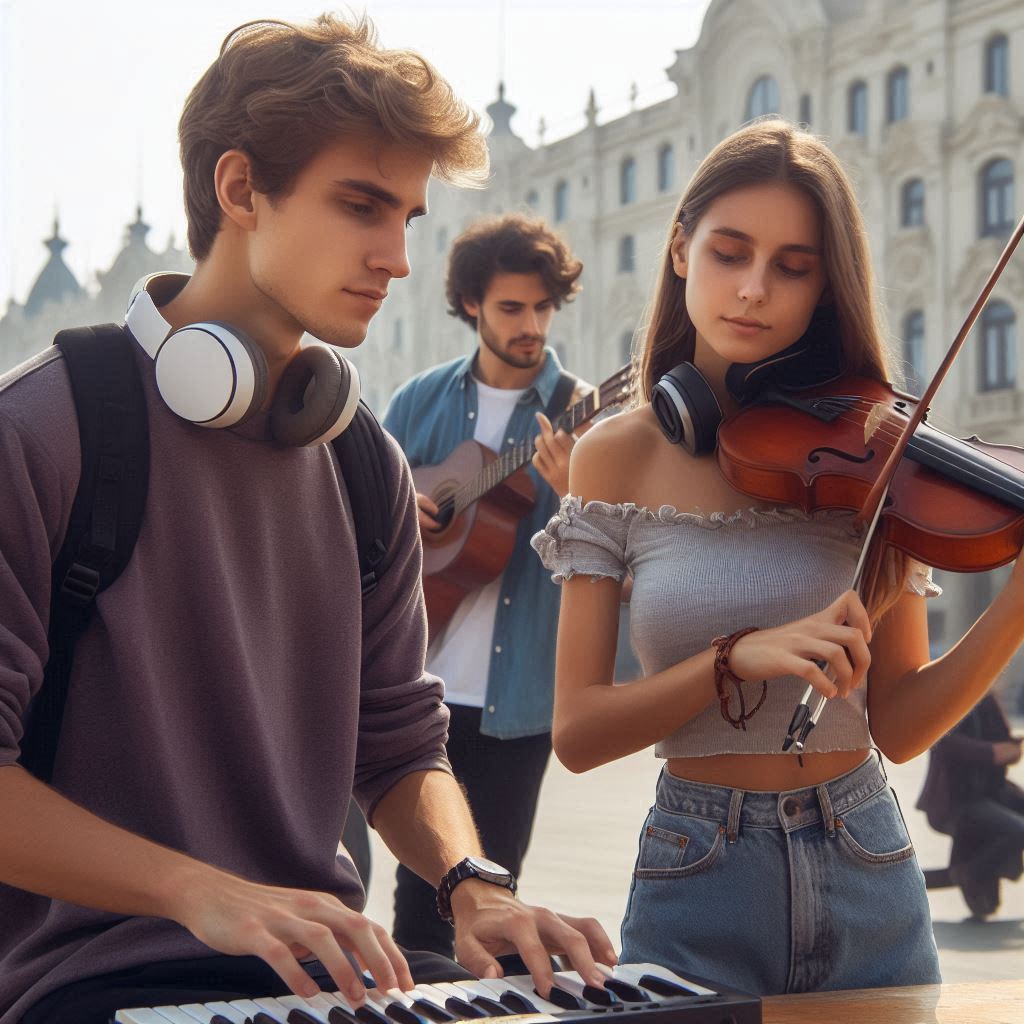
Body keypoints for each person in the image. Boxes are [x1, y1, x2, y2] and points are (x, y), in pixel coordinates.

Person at [0, 16, 614, 1024]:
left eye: (409, 217)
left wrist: (474, 882)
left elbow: (399, 746)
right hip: (95, 989)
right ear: (241, 189)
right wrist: (201, 892)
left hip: (324, 984)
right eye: (361, 206)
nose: (397, 258)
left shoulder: (360, 457)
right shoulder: (40, 433)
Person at [532, 117, 1024, 996]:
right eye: (730, 252)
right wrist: (735, 659)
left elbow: (902, 724)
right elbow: (576, 734)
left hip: (868, 853)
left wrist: (1019, 602)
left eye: (792, 267)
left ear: (823, 290)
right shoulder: (615, 455)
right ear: (681, 250)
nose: (754, 289)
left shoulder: (873, 450)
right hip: (700, 864)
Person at [382, 213, 588, 958]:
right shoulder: (416, 403)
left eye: (542, 307)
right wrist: (409, 513)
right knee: (416, 919)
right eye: (511, 308)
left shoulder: (583, 413)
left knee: (493, 910)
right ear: (472, 305)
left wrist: (576, 498)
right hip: (421, 691)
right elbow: (361, 527)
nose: (530, 324)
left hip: (515, 706)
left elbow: (617, 564)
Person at [917, 691, 1024, 918]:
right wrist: (992, 752)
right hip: (957, 802)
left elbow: (1006, 742)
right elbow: (944, 742)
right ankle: (970, 872)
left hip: (990, 793)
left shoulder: (985, 697)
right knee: (1017, 831)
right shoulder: (946, 699)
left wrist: (1009, 748)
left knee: (986, 902)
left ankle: (973, 872)